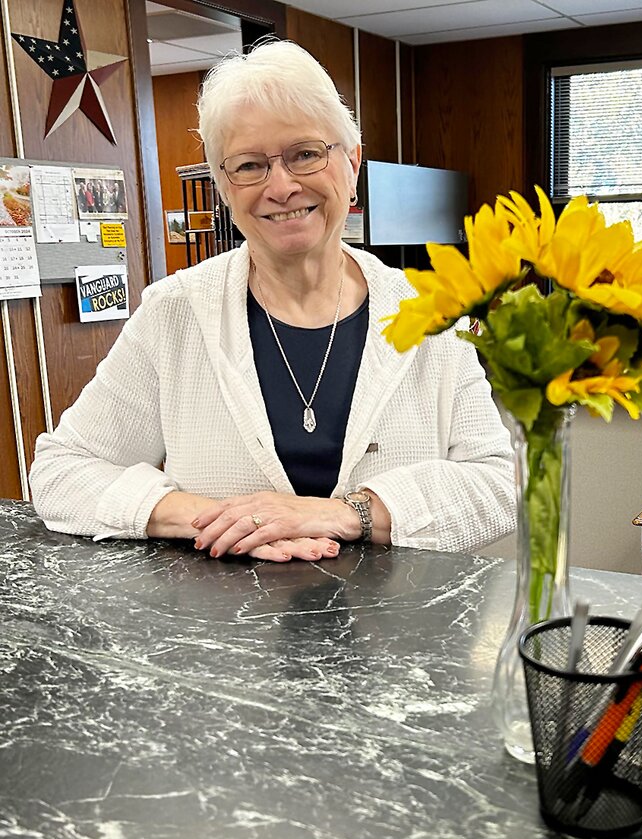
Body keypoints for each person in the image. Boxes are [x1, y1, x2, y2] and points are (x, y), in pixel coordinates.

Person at [30, 39, 515, 563]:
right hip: (226, 631)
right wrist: (211, 517)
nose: (280, 186)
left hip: (401, 633)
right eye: (248, 165)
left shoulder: (433, 314)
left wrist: (342, 513)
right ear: (222, 184)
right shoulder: (174, 314)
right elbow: (62, 471)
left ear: (352, 164)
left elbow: (497, 485)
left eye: (305, 154)